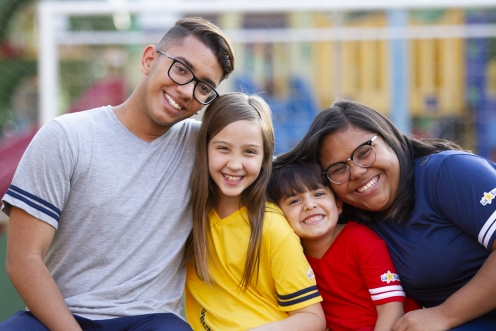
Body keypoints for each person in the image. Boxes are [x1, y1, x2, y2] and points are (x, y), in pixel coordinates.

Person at [0, 17, 235, 331]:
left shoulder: (208, 149)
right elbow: (23, 259)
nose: (186, 90)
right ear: (149, 59)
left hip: (150, 319)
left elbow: (274, 167)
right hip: (58, 316)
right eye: (180, 68)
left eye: (204, 87)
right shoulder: (67, 136)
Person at [273, 99, 496, 330]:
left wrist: (445, 315)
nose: (357, 172)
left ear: (388, 137)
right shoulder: (348, 216)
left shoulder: (448, 173)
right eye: (338, 169)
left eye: (364, 151)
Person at [183, 92, 326, 331]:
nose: (235, 164)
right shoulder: (189, 214)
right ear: (204, 147)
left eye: (249, 152)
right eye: (223, 148)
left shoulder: (272, 228)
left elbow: (312, 318)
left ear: (264, 159)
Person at [267, 160, 411, 331]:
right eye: (294, 201)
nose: (309, 205)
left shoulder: (360, 240)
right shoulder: (290, 256)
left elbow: (391, 307)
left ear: (338, 204)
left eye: (318, 194)